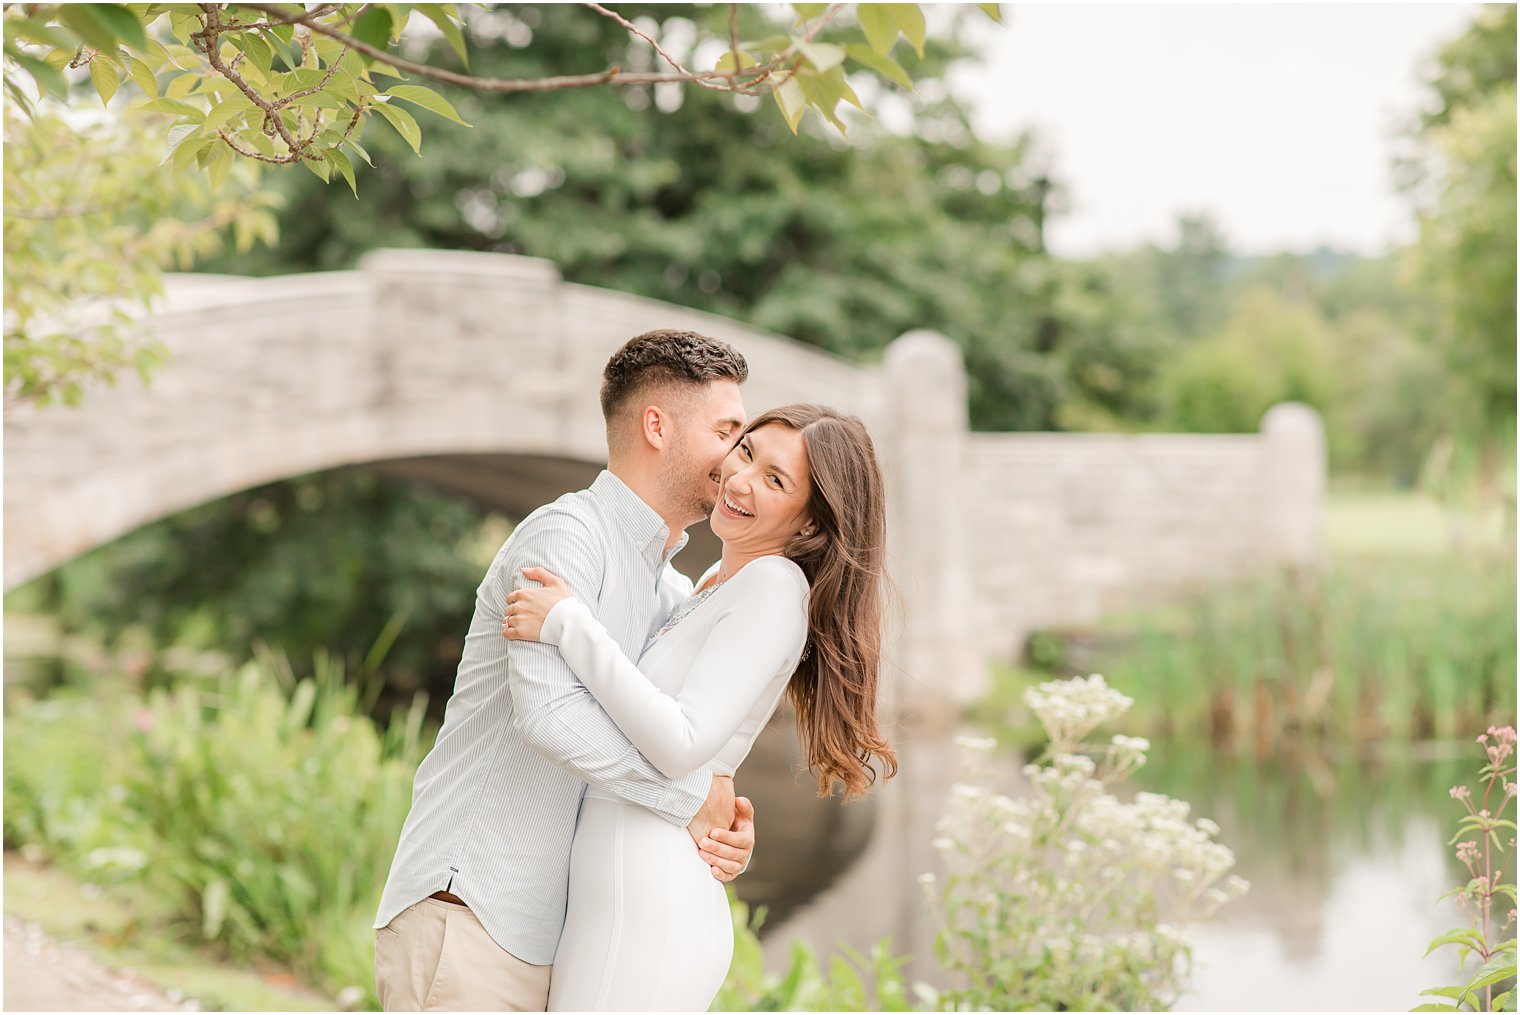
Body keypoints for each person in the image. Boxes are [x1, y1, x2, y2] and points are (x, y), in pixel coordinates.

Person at [373, 329, 762, 1011]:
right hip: (473, 914)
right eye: (728, 431)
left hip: (556, 940)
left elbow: (669, 731)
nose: (738, 461)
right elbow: (549, 717)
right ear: (656, 425)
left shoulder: (668, 588)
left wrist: (719, 815)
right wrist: (687, 799)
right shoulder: (564, 537)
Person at [502, 402, 899, 1011]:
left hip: (649, 898)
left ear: (810, 523)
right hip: (621, 883)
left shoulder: (774, 587)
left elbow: (683, 739)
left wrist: (568, 625)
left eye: (776, 480)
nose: (740, 481)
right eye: (746, 451)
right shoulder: (718, 580)